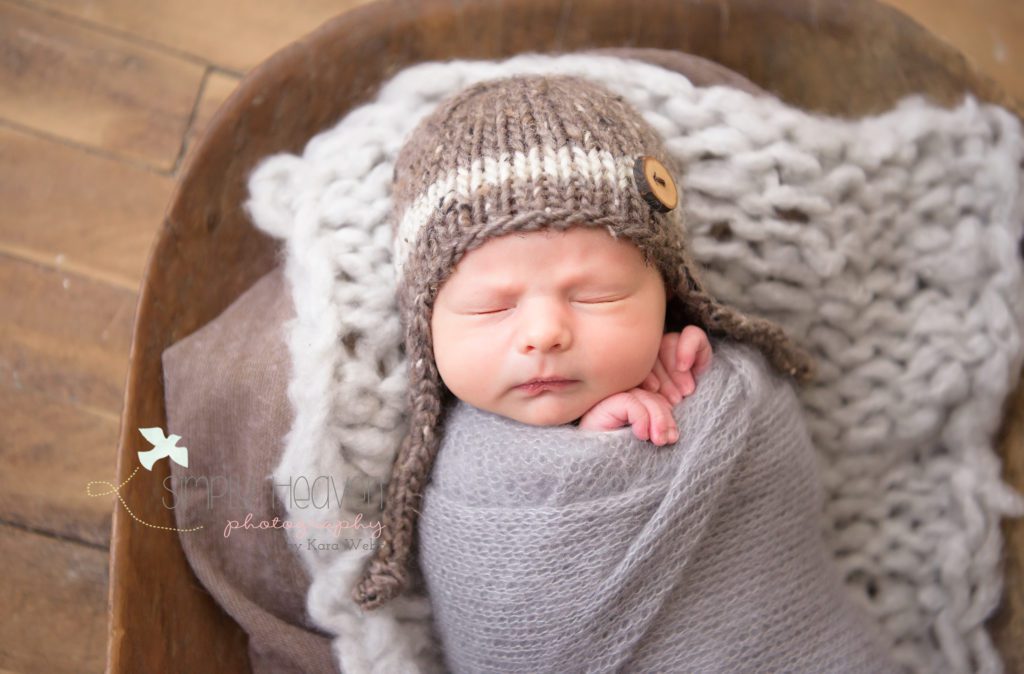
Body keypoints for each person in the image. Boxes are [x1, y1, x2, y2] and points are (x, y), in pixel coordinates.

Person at [354, 72, 816, 610]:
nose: (545, 333)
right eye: (491, 306)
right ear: (424, 325)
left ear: (673, 294)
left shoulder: (699, 376)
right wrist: (587, 456)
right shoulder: (455, 472)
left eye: (599, 296)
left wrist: (695, 397)